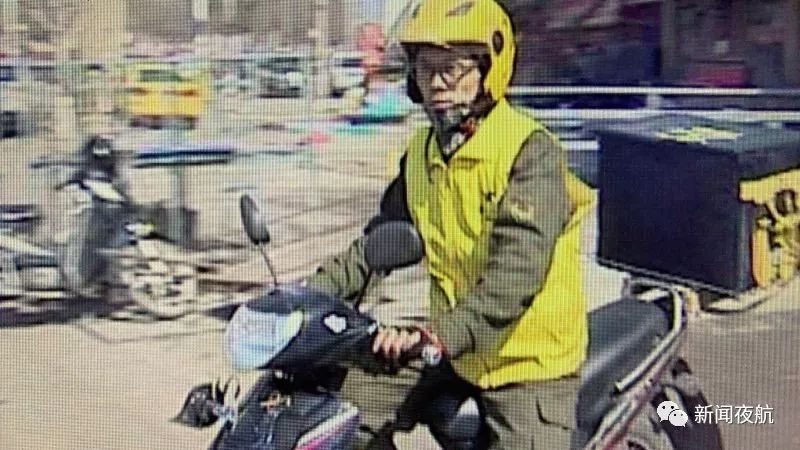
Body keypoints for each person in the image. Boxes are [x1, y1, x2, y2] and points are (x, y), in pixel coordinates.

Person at [305, 0, 596, 448]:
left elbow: (516, 273)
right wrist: (305, 299)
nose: (438, 82)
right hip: (453, 351)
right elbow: (377, 245)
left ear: (488, 70)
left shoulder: (529, 153)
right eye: (426, 68)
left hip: (526, 363)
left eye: (453, 69)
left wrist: (439, 335)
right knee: (337, 413)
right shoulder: (422, 154)